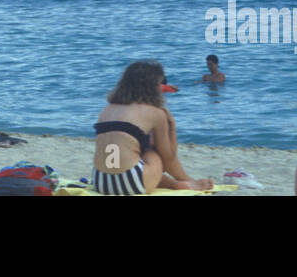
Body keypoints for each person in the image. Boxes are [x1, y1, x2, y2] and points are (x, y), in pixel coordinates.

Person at [91, 60, 213, 195]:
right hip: (131, 183)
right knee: (153, 153)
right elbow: (168, 159)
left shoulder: (107, 109)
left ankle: (173, 185)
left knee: (135, 152)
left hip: (100, 181)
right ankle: (183, 183)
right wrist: (171, 127)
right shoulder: (155, 113)